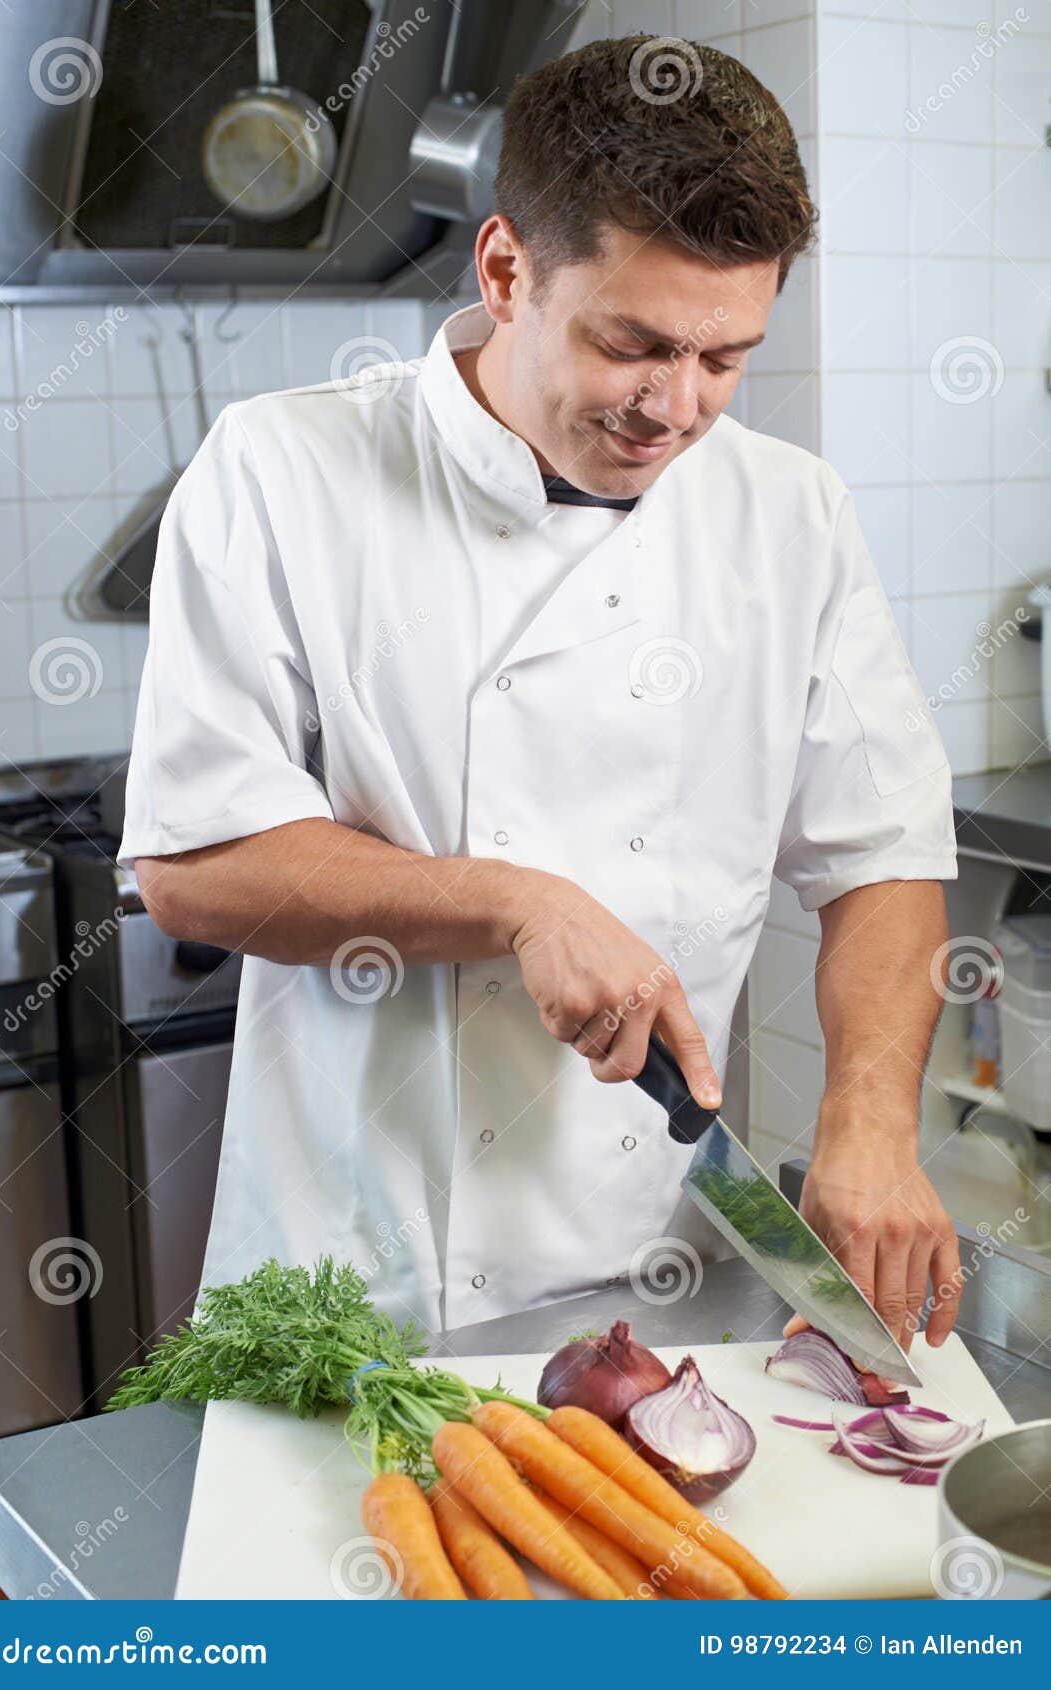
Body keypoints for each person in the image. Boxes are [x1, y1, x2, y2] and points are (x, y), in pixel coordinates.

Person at [118, 36, 962, 1356]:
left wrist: (869, 1118)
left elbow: (884, 853)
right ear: (506, 270)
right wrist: (518, 903)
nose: (674, 408)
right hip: (353, 1286)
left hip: (654, 1281)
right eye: (633, 344)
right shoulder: (285, 470)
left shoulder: (789, 512)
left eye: (726, 358)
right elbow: (192, 867)